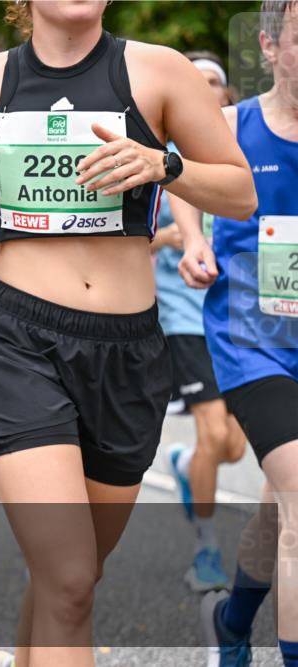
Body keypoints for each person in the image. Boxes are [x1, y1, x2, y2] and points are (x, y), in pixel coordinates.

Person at [0, 1, 257, 665]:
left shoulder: (161, 71)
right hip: (16, 337)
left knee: (73, 577)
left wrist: (165, 166)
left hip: (126, 351)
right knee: (69, 580)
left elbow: (239, 191)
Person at [174, 3, 297, 665]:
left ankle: (233, 618)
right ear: (270, 46)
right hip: (253, 339)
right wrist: (193, 240)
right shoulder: (230, 125)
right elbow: (180, 175)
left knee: (280, 511)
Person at [152, 52, 247, 593]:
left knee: (232, 447)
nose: (206, 89)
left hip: (241, 317)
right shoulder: (157, 155)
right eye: (195, 82)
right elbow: (129, 238)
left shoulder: (242, 155)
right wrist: (181, 239)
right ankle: (205, 549)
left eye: (214, 82)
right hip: (183, 313)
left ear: (228, 96)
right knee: (215, 430)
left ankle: (187, 462)